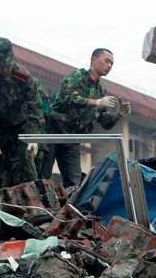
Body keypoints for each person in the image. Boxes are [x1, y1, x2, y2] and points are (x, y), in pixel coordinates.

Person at [46, 48, 131, 187]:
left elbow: (104, 123)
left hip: (72, 138)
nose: (109, 66)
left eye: (112, 64)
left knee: (74, 183)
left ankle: (68, 207)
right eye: (107, 61)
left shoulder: (100, 91)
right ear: (93, 59)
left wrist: (119, 113)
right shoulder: (78, 76)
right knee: (42, 176)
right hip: (53, 131)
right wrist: (96, 102)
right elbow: (68, 98)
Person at [0, 38, 42, 193]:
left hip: (19, 131)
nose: (3, 70)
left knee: (27, 174)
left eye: (6, 66)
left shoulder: (24, 78)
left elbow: (34, 109)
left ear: (12, 60)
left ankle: (35, 209)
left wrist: (33, 138)